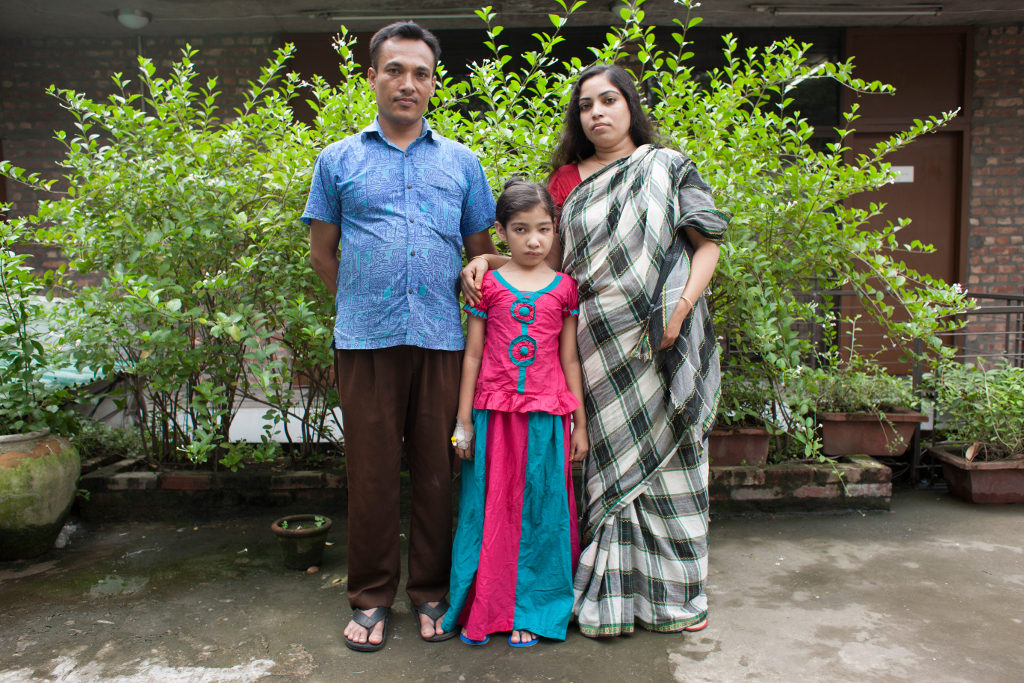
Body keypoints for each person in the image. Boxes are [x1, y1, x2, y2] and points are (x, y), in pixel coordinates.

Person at [462, 64, 728, 637]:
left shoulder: (667, 166)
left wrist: (677, 315)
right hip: (592, 346)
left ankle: (675, 597)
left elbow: (707, 250)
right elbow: (544, 260)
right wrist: (489, 262)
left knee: (672, 462)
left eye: (609, 100)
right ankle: (611, 597)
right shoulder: (564, 182)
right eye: (585, 105)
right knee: (605, 472)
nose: (597, 113)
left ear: (631, 105)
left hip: (662, 339)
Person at [303, 21, 497, 652]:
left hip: (443, 340)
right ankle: (370, 597)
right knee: (373, 473)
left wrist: (477, 269)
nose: (407, 83)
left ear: (434, 83)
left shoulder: (462, 162)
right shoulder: (338, 160)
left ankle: (432, 591)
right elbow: (323, 252)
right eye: (395, 70)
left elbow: (481, 254)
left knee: (438, 471)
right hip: (366, 340)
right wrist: (367, 297)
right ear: (372, 78)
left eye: (420, 73)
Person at [443, 180, 587, 648]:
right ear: (501, 231)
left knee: (543, 514)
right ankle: (486, 607)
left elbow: (569, 360)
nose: (533, 241)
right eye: (520, 229)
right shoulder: (488, 285)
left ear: (554, 231)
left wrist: (580, 422)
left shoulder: (565, 289)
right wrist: (463, 423)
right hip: (492, 417)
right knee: (490, 511)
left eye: (543, 229)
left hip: (546, 420)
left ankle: (535, 610)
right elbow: (472, 356)